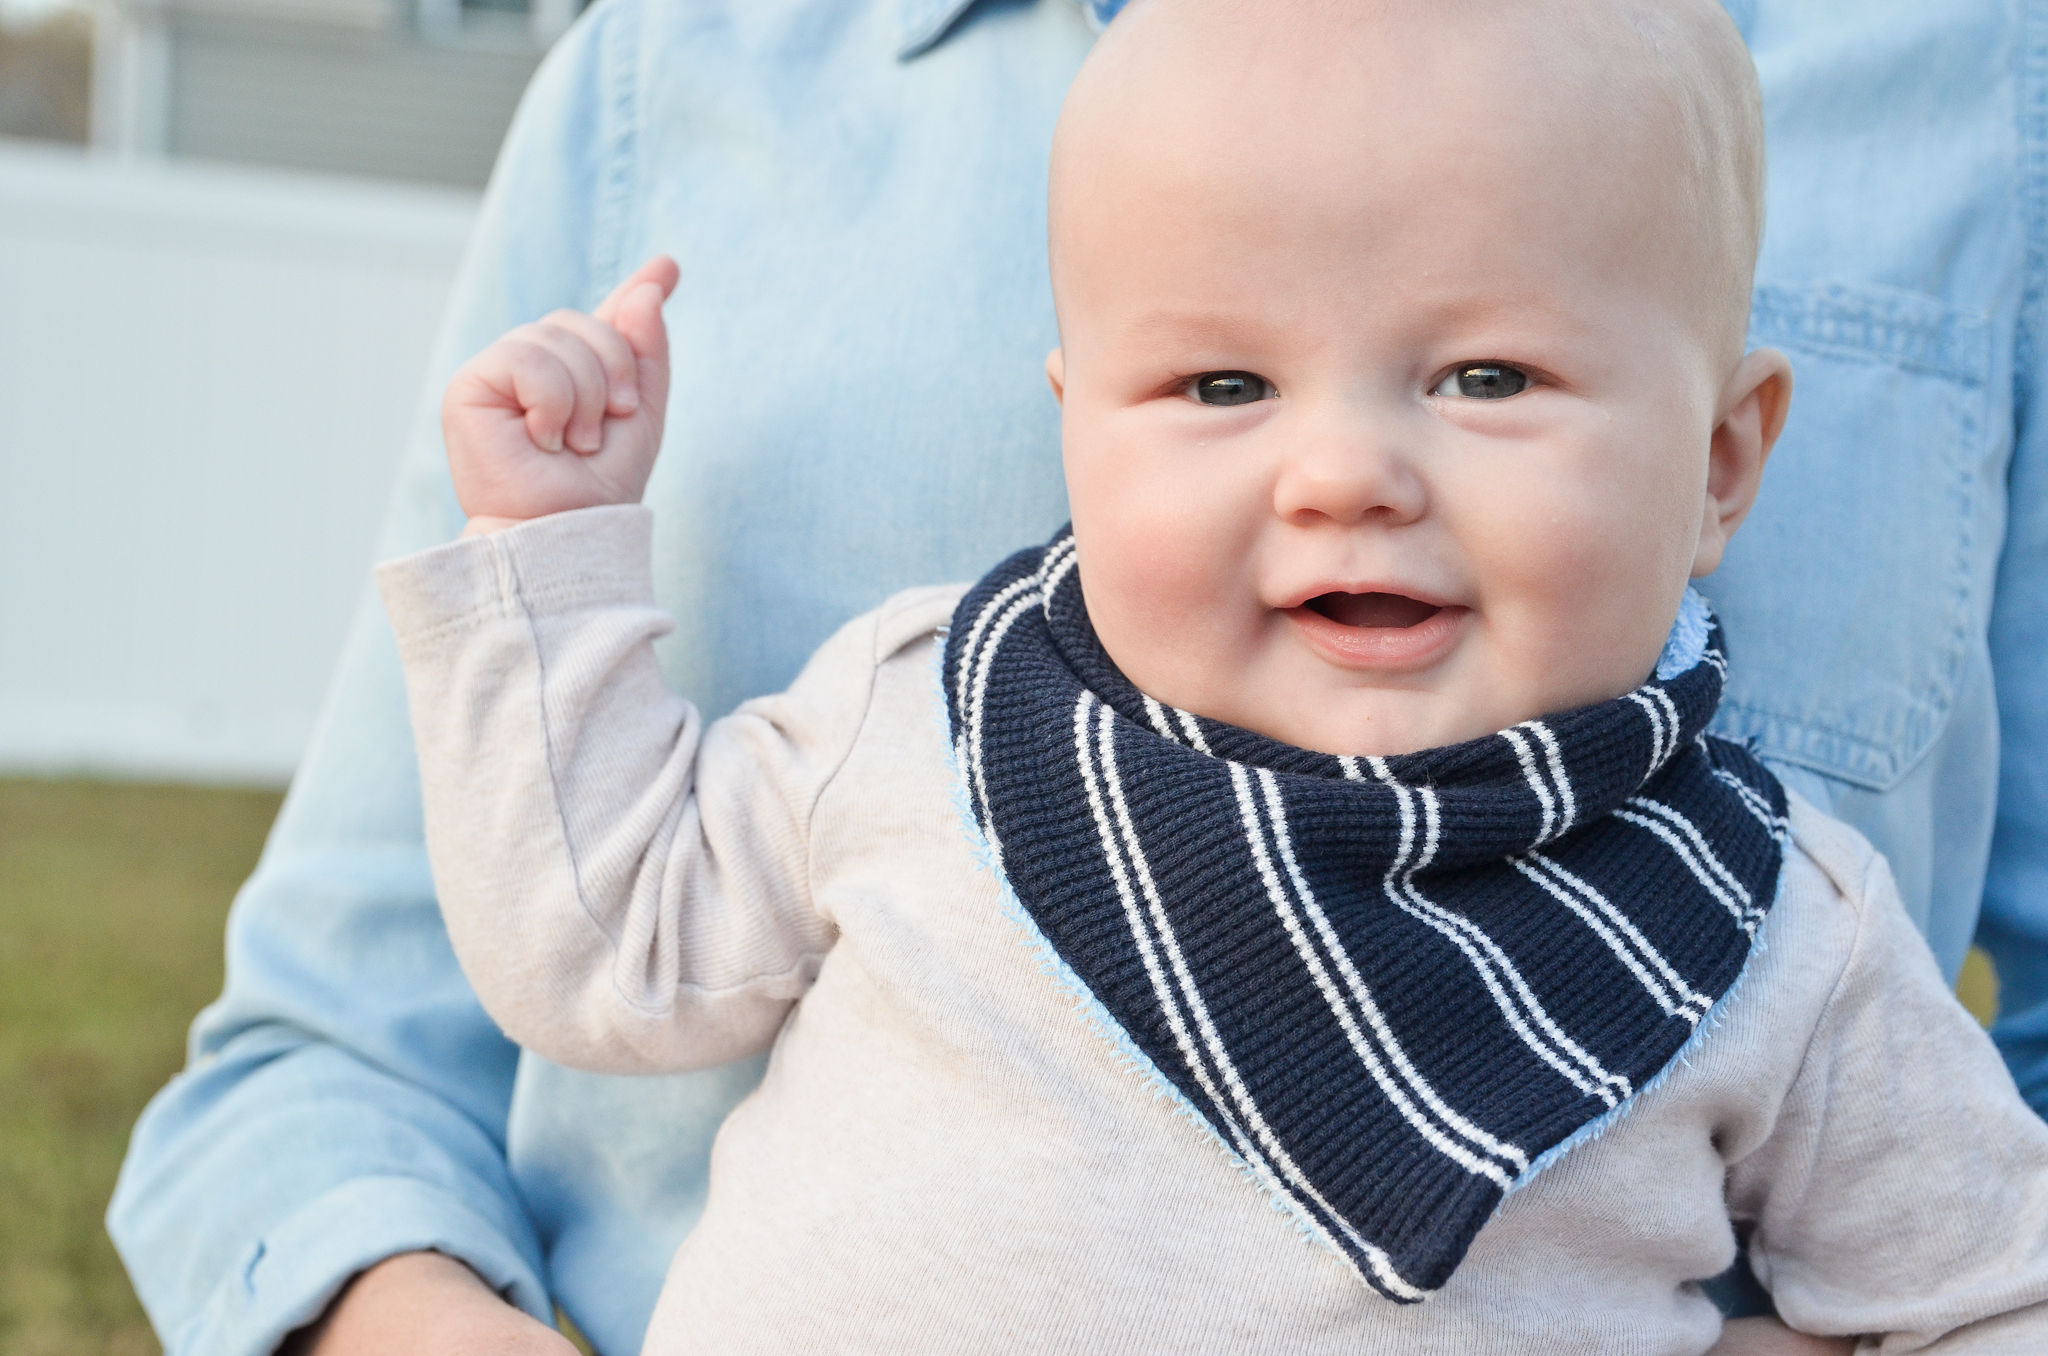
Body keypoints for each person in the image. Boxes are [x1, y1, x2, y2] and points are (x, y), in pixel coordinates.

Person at [105, 0, 2048, 1352]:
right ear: (1077, 433)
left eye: (1486, 379)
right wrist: (546, 559)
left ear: (1722, 460)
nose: (1344, 471)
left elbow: (1996, 1279)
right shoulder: (927, 723)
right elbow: (581, 948)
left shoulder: (1775, 941)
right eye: (1218, 385)